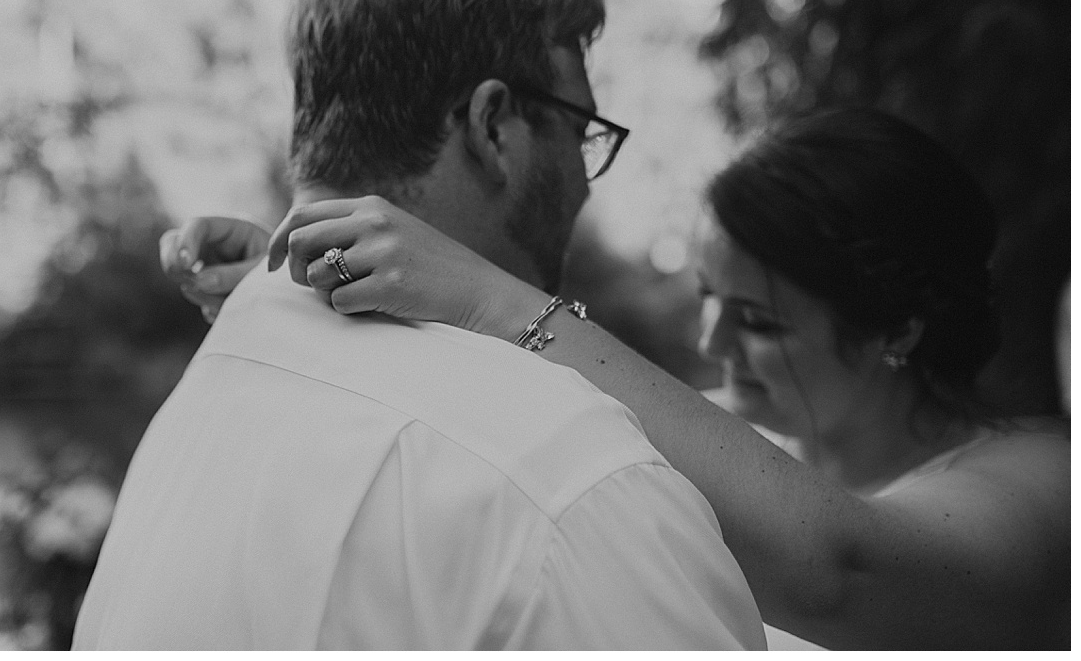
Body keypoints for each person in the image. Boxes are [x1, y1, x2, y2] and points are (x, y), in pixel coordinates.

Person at [74, 0, 765, 650]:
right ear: (493, 126)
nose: (585, 182)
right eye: (580, 130)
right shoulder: (566, 485)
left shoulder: (208, 397)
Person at [168, 107, 1069, 650]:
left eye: (759, 321)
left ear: (899, 327)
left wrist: (490, 295)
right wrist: (292, 279)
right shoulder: (724, 434)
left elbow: (843, 567)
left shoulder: (1042, 485)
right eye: (710, 297)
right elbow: (496, 419)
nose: (713, 340)